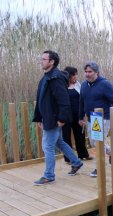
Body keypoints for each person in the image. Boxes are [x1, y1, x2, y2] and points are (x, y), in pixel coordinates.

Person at [32, 50, 83, 185]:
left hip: (54, 118)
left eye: (44, 59)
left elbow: (63, 100)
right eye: (41, 59)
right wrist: (38, 117)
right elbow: (41, 99)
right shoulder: (46, 77)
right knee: (59, 142)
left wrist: (62, 119)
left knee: (47, 146)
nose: (41, 61)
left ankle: (49, 175)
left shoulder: (56, 77)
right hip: (48, 117)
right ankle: (76, 162)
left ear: (52, 62)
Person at [79, 61, 113, 177]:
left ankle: (99, 168)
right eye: (86, 72)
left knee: (98, 142)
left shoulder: (105, 84)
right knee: (93, 142)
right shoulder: (83, 85)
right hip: (91, 118)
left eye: (90, 72)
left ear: (96, 72)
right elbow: (81, 102)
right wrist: (80, 117)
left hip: (103, 117)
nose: (87, 74)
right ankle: (112, 152)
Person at [61, 66, 92, 163]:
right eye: (73, 75)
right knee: (66, 137)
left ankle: (83, 154)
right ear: (69, 76)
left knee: (80, 135)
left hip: (77, 115)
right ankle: (69, 158)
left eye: (76, 74)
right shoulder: (62, 86)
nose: (75, 77)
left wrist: (82, 115)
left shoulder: (79, 85)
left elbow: (83, 100)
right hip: (66, 116)